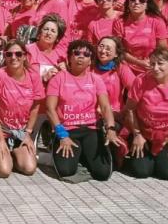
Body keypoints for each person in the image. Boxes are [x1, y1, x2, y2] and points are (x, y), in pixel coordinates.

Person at [45, 40, 124, 180]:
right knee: (66, 171)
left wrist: (111, 129)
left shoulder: (96, 79)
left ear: (90, 61)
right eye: (76, 53)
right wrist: (62, 135)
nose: (81, 56)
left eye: (86, 54)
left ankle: (82, 155)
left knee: (103, 174)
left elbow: (105, 107)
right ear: (69, 57)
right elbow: (50, 109)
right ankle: (59, 146)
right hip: (67, 130)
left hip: (90, 129)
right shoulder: (58, 79)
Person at [123, 47, 168, 180]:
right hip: (144, 133)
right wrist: (137, 134)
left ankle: (163, 158)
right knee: (141, 172)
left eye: (160, 64)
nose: (155, 68)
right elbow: (130, 109)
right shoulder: (141, 80)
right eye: (152, 63)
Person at [0, 40, 45, 177]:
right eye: (9, 54)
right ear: (5, 56)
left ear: (25, 56)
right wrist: (0, 139)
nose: (14, 57)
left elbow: (36, 107)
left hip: (19, 130)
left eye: (18, 54)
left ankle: (12, 155)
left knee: (29, 169)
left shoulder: (33, 76)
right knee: (4, 171)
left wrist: (28, 134)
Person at [113, 0, 168, 74]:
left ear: (147, 5)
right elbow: (119, 51)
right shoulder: (119, 22)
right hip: (127, 67)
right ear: (128, 2)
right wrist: (139, 62)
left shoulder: (157, 22)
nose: (136, 2)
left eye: (142, 0)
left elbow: (163, 49)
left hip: (152, 66)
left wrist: (152, 63)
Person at [92, 36, 136, 124]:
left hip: (115, 114)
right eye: (101, 46)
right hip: (91, 114)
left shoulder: (121, 68)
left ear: (116, 54)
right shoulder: (89, 67)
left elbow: (135, 90)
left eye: (108, 48)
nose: (103, 51)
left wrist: (123, 112)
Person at [27, 13, 66, 84]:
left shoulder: (61, 56)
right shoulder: (28, 50)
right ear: (40, 32)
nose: (48, 33)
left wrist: (66, 71)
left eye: (53, 31)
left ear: (57, 38)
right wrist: (43, 78)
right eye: (46, 29)